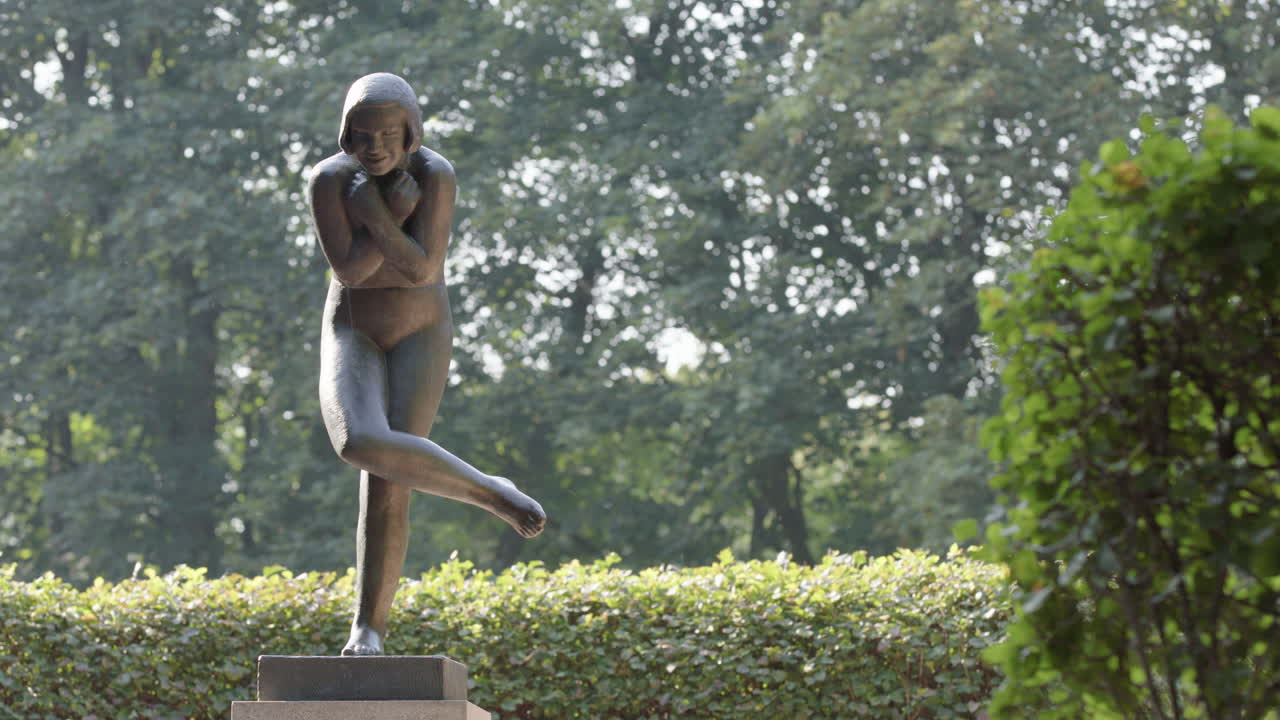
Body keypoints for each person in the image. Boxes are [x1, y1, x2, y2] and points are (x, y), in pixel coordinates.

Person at [307, 73, 546, 656]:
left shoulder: (435, 176)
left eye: (389, 134)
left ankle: (369, 627)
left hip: (421, 330)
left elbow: (420, 271)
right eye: (363, 135)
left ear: (411, 133)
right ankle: (487, 489)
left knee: (389, 478)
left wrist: (381, 218)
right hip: (354, 328)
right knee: (359, 441)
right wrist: (381, 212)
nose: (376, 147)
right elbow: (350, 272)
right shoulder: (330, 181)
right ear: (346, 135)